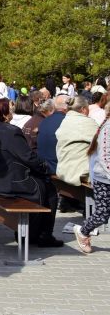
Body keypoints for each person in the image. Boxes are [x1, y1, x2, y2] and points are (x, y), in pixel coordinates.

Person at [0, 99, 62, 247]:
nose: (12, 112)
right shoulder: (11, 131)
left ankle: (31, 232)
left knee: (43, 184)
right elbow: (28, 157)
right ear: (4, 115)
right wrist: (46, 168)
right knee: (49, 189)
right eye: (9, 110)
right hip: (7, 183)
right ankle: (41, 235)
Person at [73, 105, 110, 253]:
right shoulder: (108, 128)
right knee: (102, 214)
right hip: (104, 178)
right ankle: (83, 231)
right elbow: (105, 156)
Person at [55, 95, 97, 186]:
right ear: (83, 109)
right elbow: (102, 141)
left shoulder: (65, 120)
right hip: (80, 173)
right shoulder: (87, 122)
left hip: (63, 170)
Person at [36, 94, 68, 173]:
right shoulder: (66, 121)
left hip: (43, 167)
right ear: (67, 107)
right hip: (57, 169)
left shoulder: (43, 121)